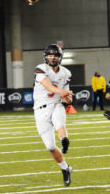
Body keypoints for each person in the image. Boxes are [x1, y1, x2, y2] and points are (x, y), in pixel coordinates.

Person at [33, 44, 73, 187]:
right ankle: (65, 168)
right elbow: (49, 87)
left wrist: (67, 98)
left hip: (56, 105)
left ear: (60, 57)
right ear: (46, 57)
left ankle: (64, 140)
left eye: (55, 55)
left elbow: (65, 95)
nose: (52, 57)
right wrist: (62, 92)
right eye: (50, 55)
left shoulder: (66, 73)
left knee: (60, 124)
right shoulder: (41, 69)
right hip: (40, 109)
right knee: (50, 146)